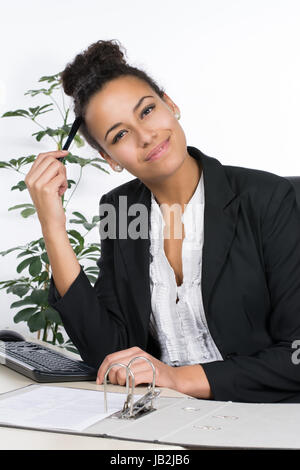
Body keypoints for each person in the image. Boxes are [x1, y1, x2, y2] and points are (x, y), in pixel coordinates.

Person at [25, 39, 300, 403]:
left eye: (148, 111)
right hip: (168, 417)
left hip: (264, 415)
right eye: (119, 135)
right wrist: (52, 227)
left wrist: (177, 378)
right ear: (109, 158)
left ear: (171, 105)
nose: (145, 136)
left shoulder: (266, 197)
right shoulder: (123, 209)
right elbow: (109, 353)